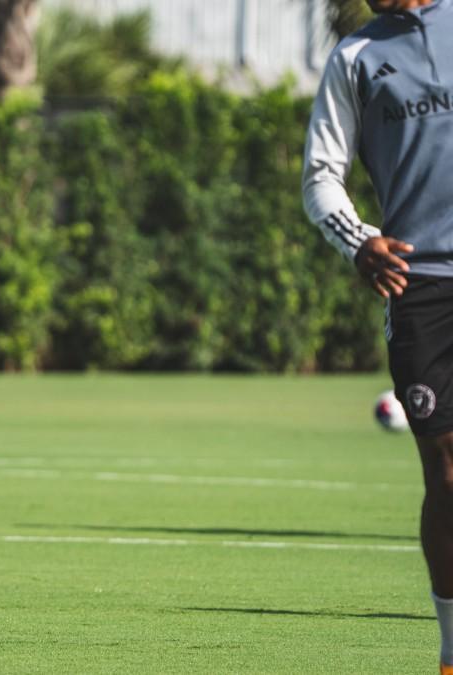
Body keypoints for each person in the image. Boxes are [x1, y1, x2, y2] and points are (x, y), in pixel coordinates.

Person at [302, 1, 453, 671]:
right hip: (419, 286)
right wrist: (359, 241)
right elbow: (320, 176)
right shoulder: (354, 58)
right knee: (447, 472)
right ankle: (452, 653)